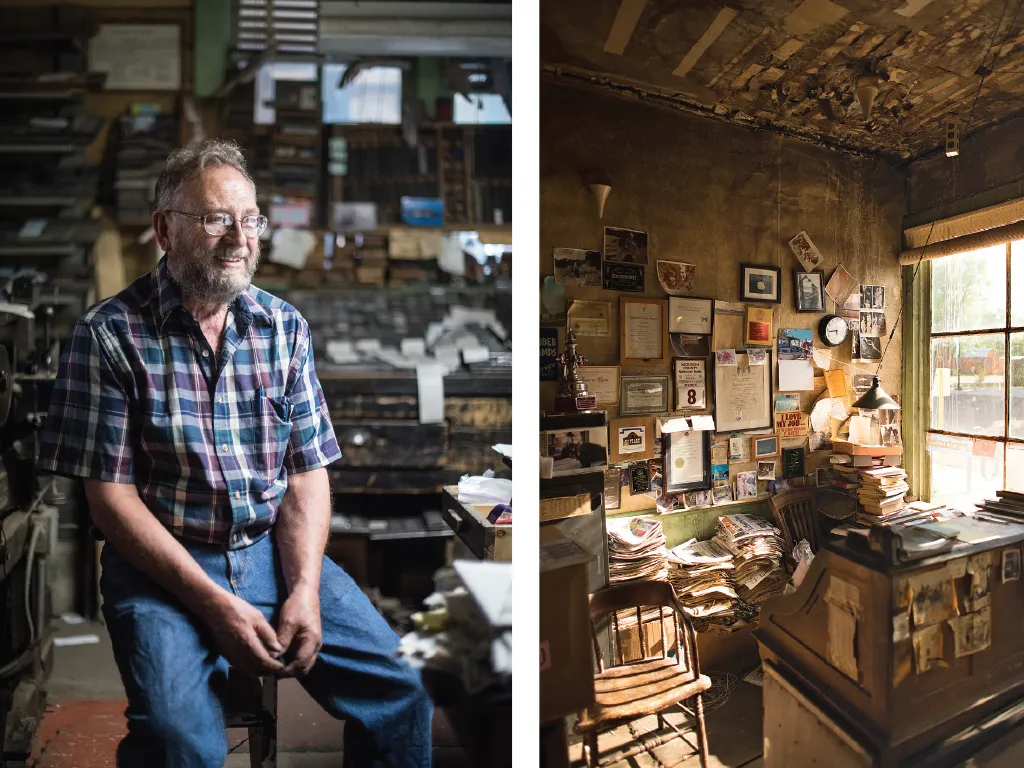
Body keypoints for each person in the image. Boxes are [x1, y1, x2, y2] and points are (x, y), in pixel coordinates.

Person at [38, 139, 432, 768]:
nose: (239, 239)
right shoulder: (108, 335)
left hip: (271, 553)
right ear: (166, 228)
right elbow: (110, 501)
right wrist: (216, 604)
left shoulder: (284, 327)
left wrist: (303, 589)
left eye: (250, 220)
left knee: (403, 694)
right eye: (217, 219)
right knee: (176, 740)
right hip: (161, 565)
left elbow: (306, 474)